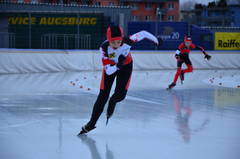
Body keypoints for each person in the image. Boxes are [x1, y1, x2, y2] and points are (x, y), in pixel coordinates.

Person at [79, 25, 159, 135]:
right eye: (113, 42)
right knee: (103, 96)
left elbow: (144, 33)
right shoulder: (104, 48)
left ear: (122, 38)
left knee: (120, 96)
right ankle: (91, 123)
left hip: (126, 66)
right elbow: (108, 71)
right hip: (112, 67)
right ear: (108, 40)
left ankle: (113, 101)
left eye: (118, 42)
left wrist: (157, 41)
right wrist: (117, 65)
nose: (116, 45)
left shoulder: (128, 40)